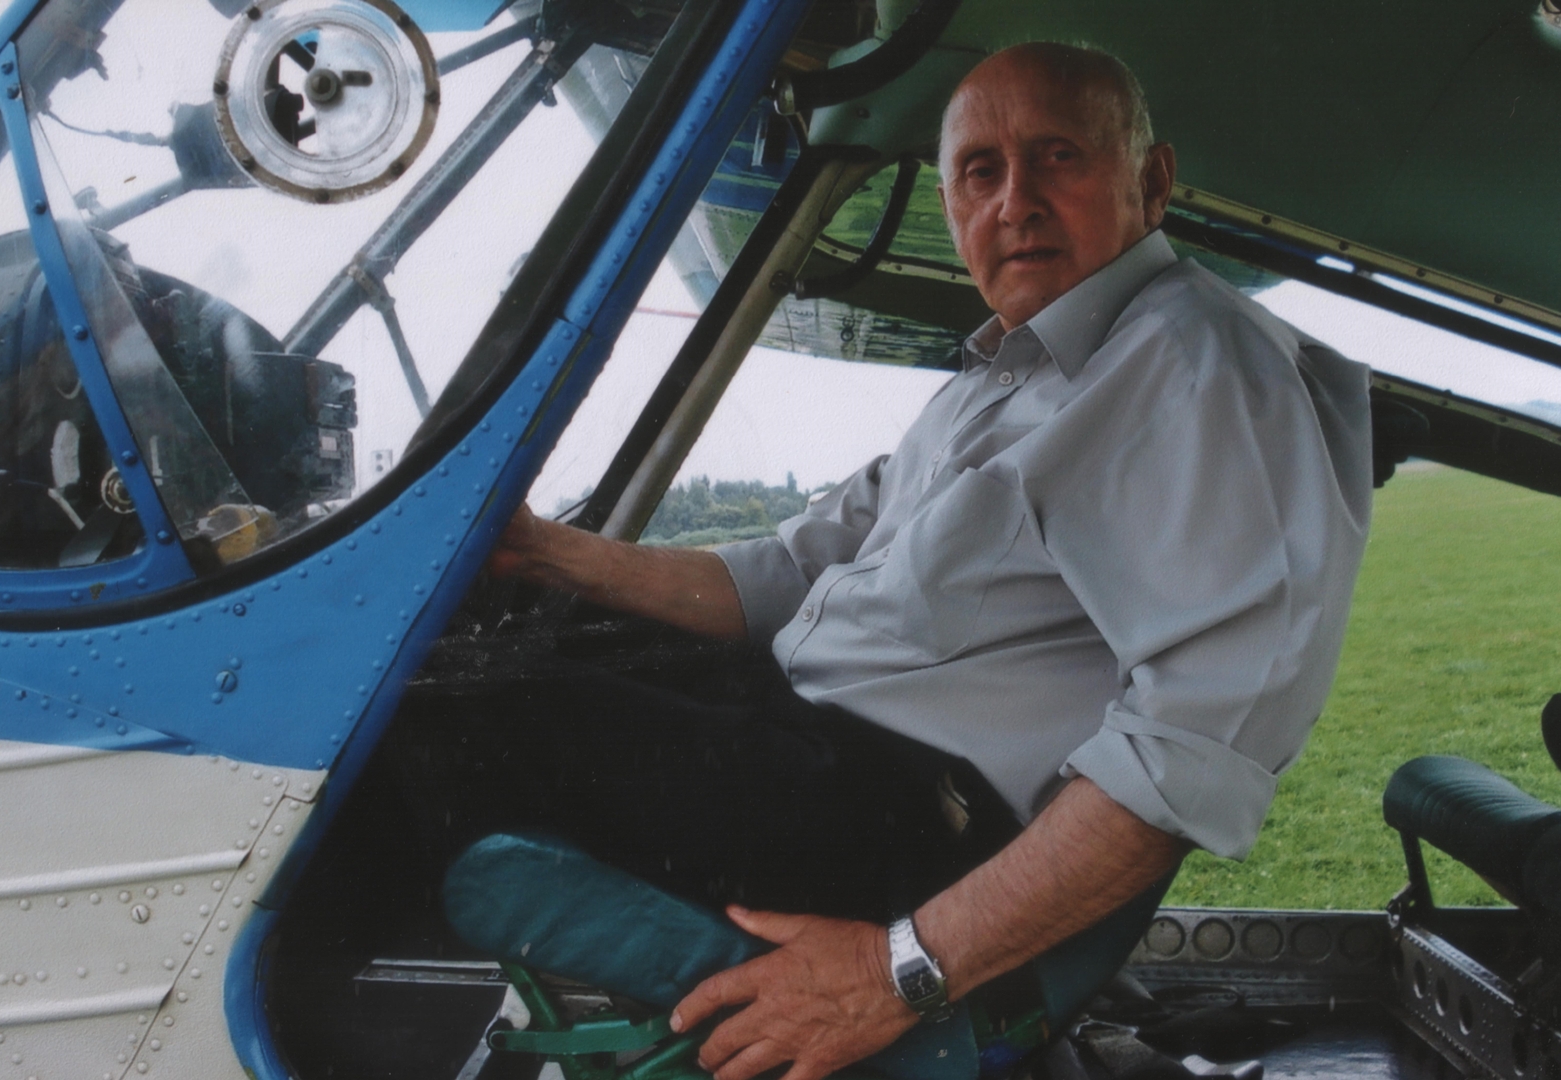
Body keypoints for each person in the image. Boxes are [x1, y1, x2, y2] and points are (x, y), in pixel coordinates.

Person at [485, 41, 1372, 1080]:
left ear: (1152, 181)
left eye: (1058, 157)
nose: (1015, 203)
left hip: (891, 823)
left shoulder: (1194, 366)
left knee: (450, 726)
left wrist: (897, 970)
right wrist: (542, 554)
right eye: (979, 172)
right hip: (801, 744)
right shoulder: (996, 382)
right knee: (490, 648)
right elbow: (788, 572)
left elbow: (1194, 743)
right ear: (951, 205)